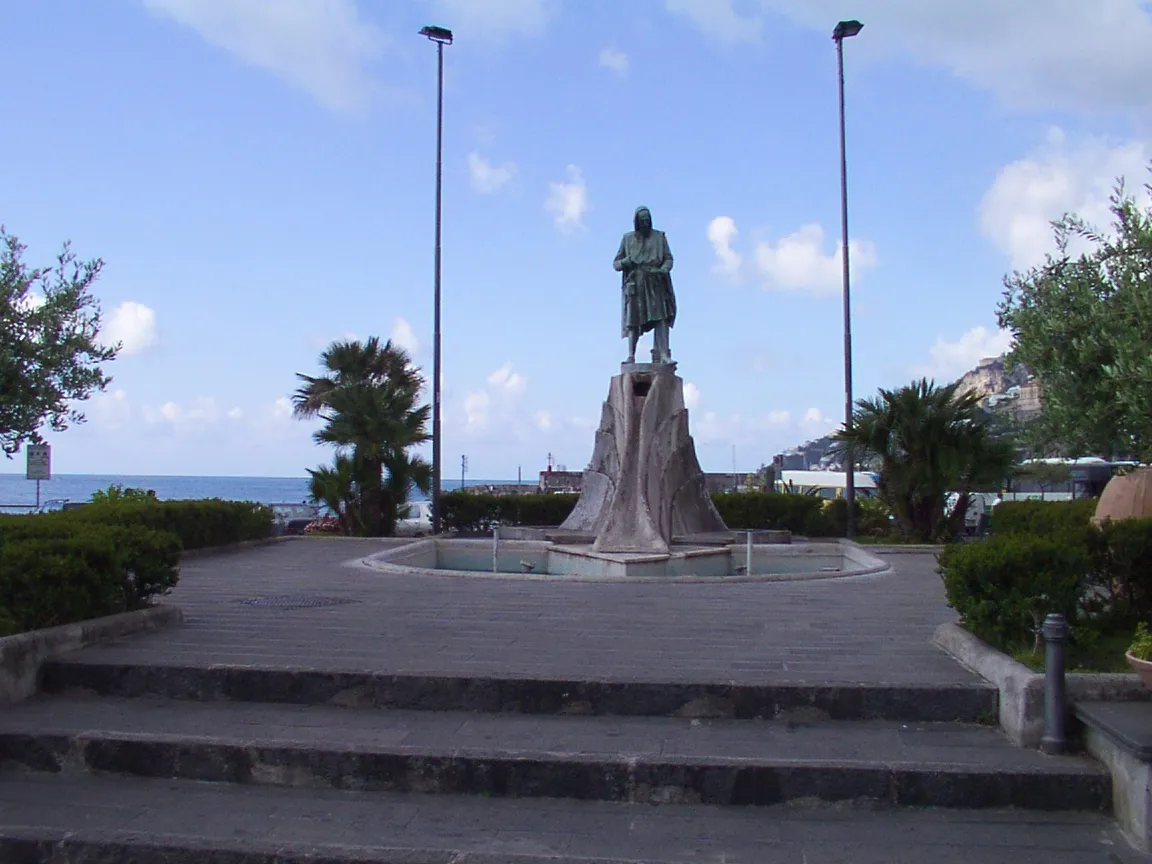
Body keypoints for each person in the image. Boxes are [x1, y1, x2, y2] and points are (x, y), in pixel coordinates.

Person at [614, 206, 676, 364]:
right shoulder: (627, 239)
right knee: (633, 321)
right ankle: (631, 355)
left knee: (661, 318)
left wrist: (663, 269)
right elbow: (616, 264)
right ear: (636, 222)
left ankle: (663, 354)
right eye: (642, 221)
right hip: (637, 282)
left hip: (655, 281)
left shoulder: (660, 237)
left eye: (647, 220)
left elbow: (668, 259)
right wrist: (627, 261)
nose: (645, 223)